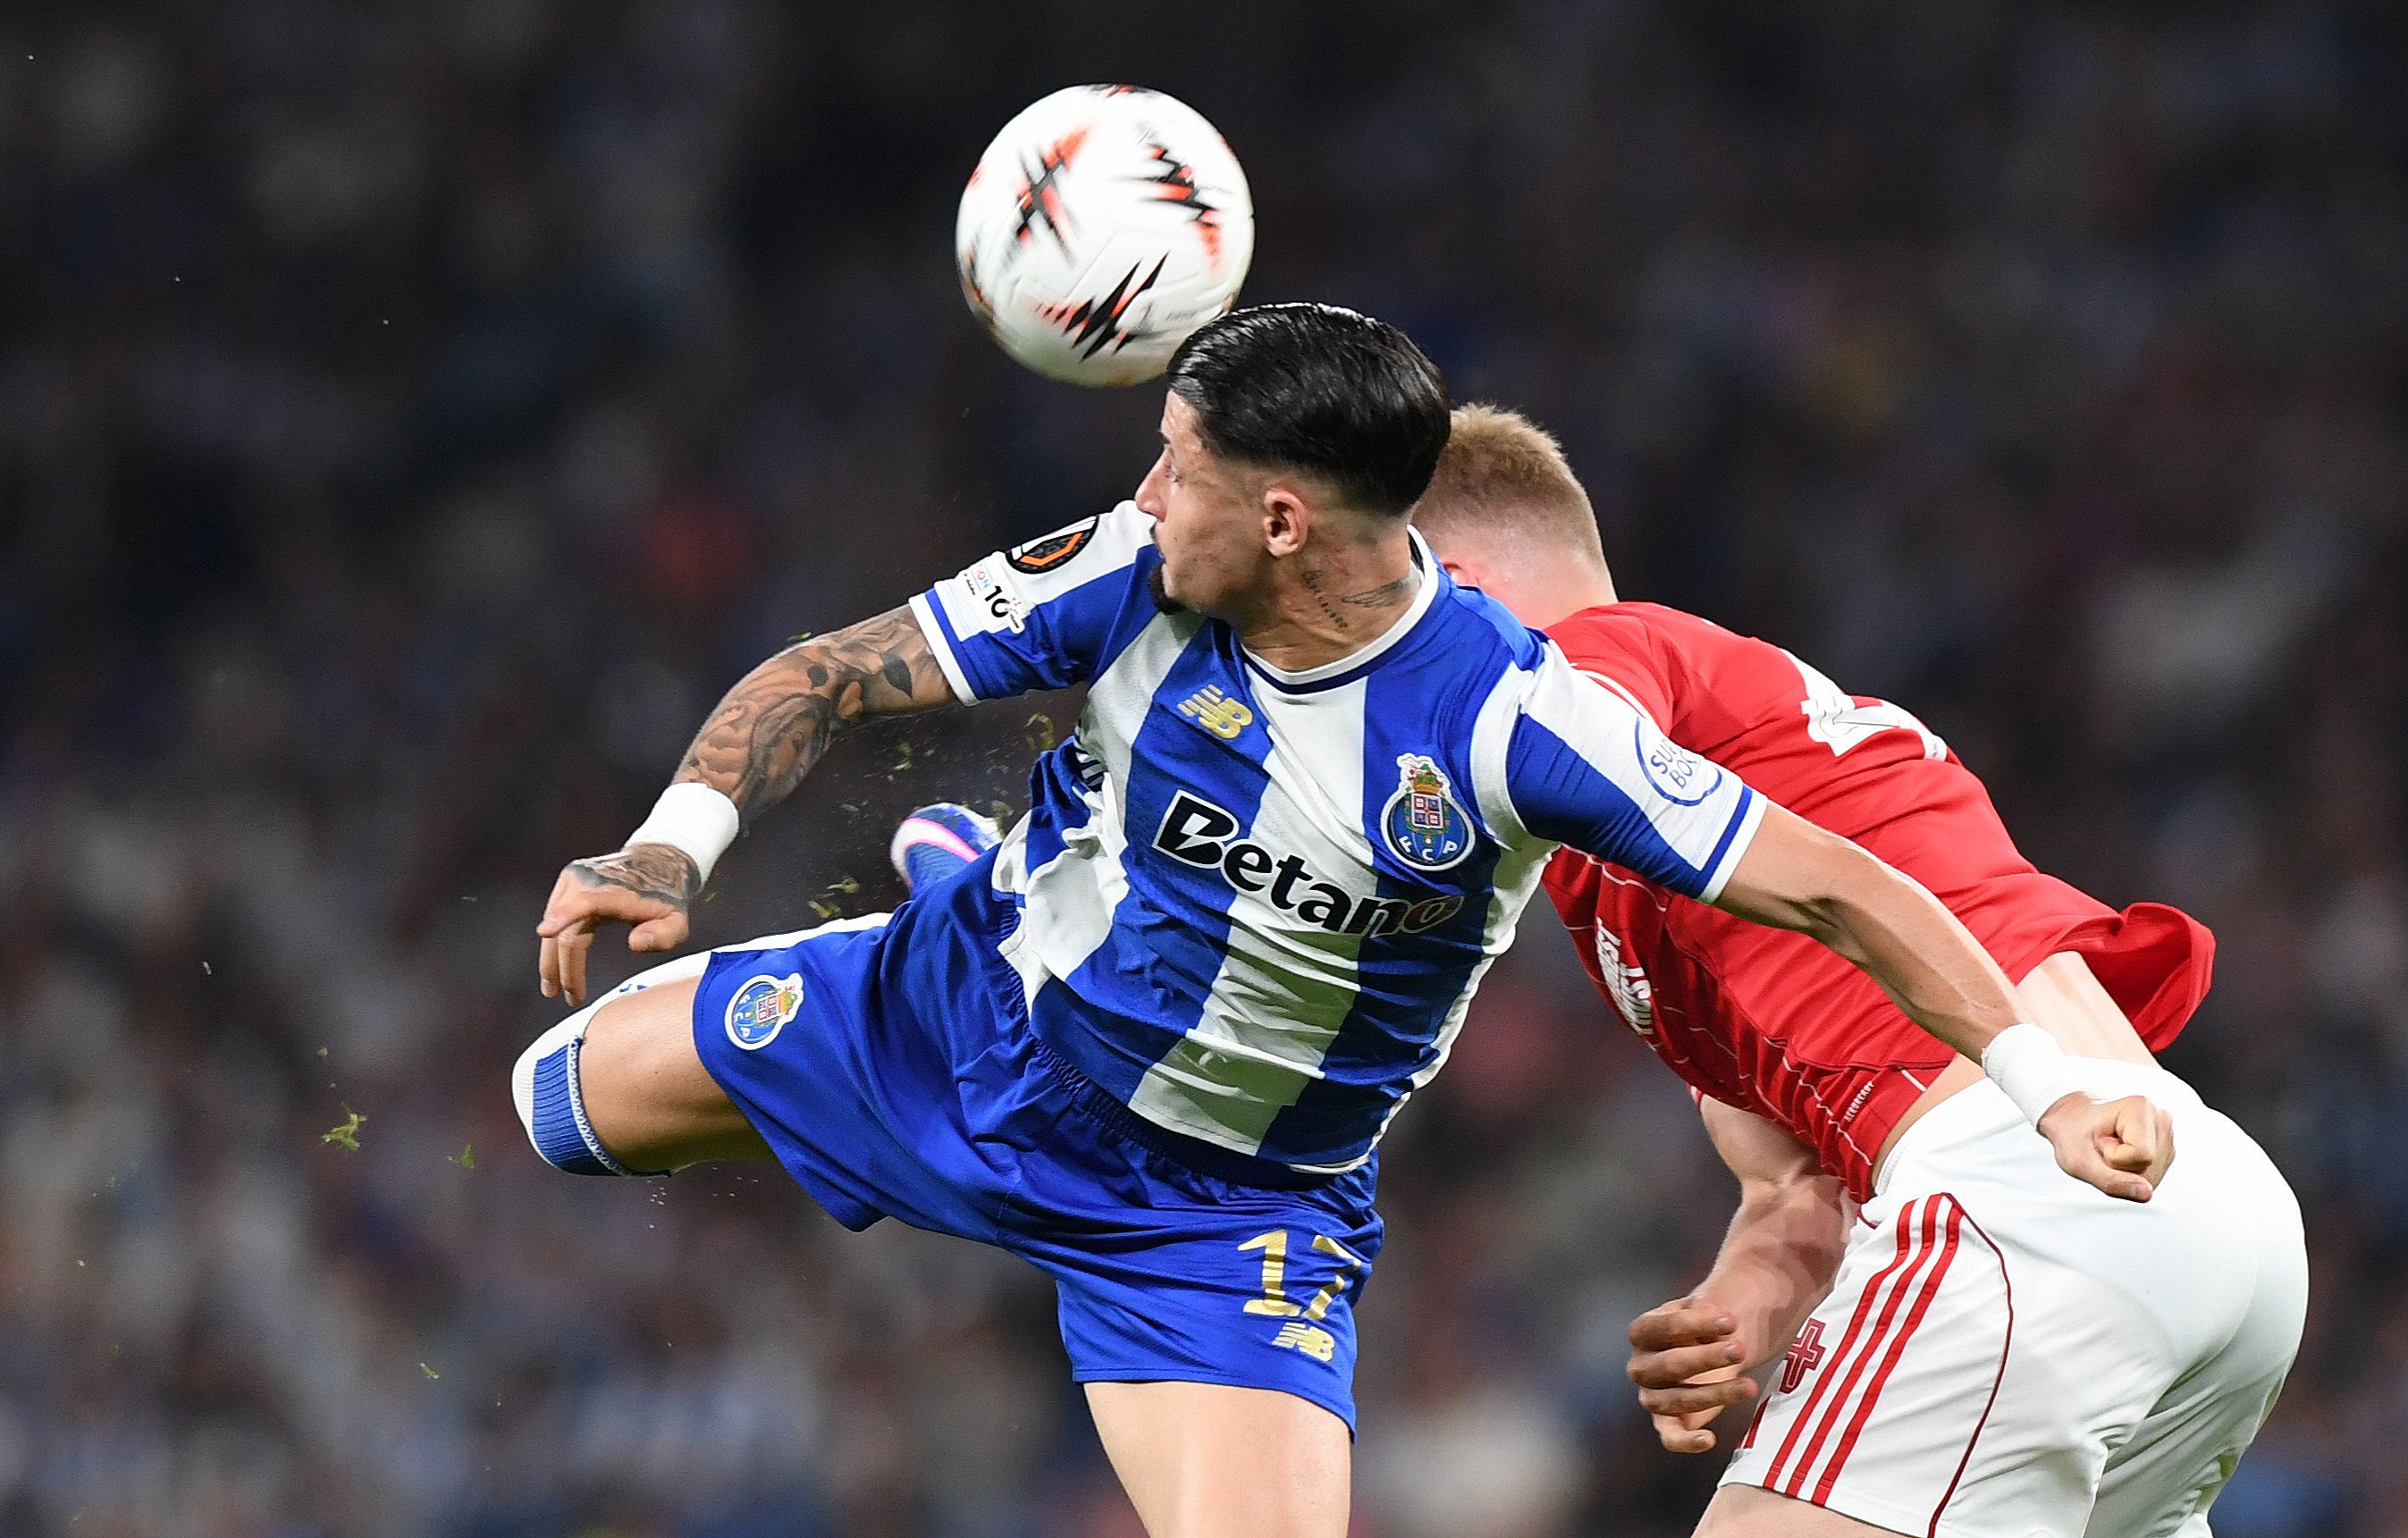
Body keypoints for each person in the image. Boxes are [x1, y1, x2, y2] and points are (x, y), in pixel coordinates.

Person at [513, 306, 2164, 1538]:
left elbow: (1840, 883)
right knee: (555, 1102)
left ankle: (998, 875)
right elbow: (830, 673)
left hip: (1214, 1219)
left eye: (1179, 465)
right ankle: (990, 889)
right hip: (953, 1022)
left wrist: (2048, 1087)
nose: (1145, 486)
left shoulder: (1518, 723)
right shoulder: (1122, 567)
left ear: (1286, 517)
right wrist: (669, 847)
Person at [1410, 404, 2307, 1538]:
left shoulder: (1598, 660)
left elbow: (1520, 745)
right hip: (2198, 1215)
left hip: (2027, 1190)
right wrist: (1738, 1309)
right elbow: (1796, 1187)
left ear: (1458, 586)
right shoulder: (1688, 817)